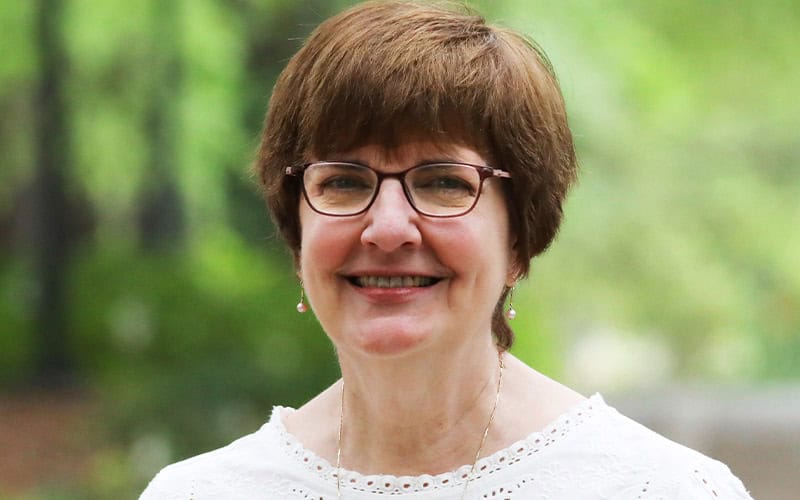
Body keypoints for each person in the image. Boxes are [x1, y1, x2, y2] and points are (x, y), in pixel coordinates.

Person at [141, 1, 752, 498]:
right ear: (298, 229)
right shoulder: (201, 491)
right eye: (345, 181)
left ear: (520, 237)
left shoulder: (658, 487)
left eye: (441, 183)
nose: (386, 228)